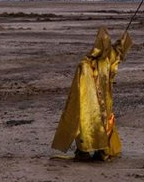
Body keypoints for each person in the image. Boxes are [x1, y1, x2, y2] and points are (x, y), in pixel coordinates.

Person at [51, 27, 132, 161]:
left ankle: (101, 151)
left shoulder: (103, 60)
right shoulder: (86, 64)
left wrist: (121, 42)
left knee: (101, 125)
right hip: (89, 101)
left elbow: (117, 54)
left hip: (102, 101)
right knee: (87, 125)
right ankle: (86, 151)